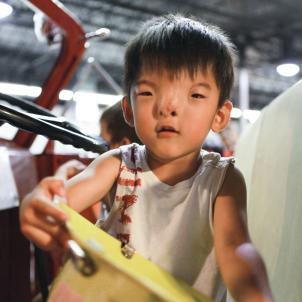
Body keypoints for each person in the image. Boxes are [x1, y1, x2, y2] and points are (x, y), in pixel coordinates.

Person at [20, 14, 273, 301]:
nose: (168, 107)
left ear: (220, 116)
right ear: (128, 109)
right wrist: (40, 204)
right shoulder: (117, 164)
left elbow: (236, 248)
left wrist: (256, 294)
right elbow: (61, 202)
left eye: (195, 95)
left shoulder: (222, 180)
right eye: (149, 92)